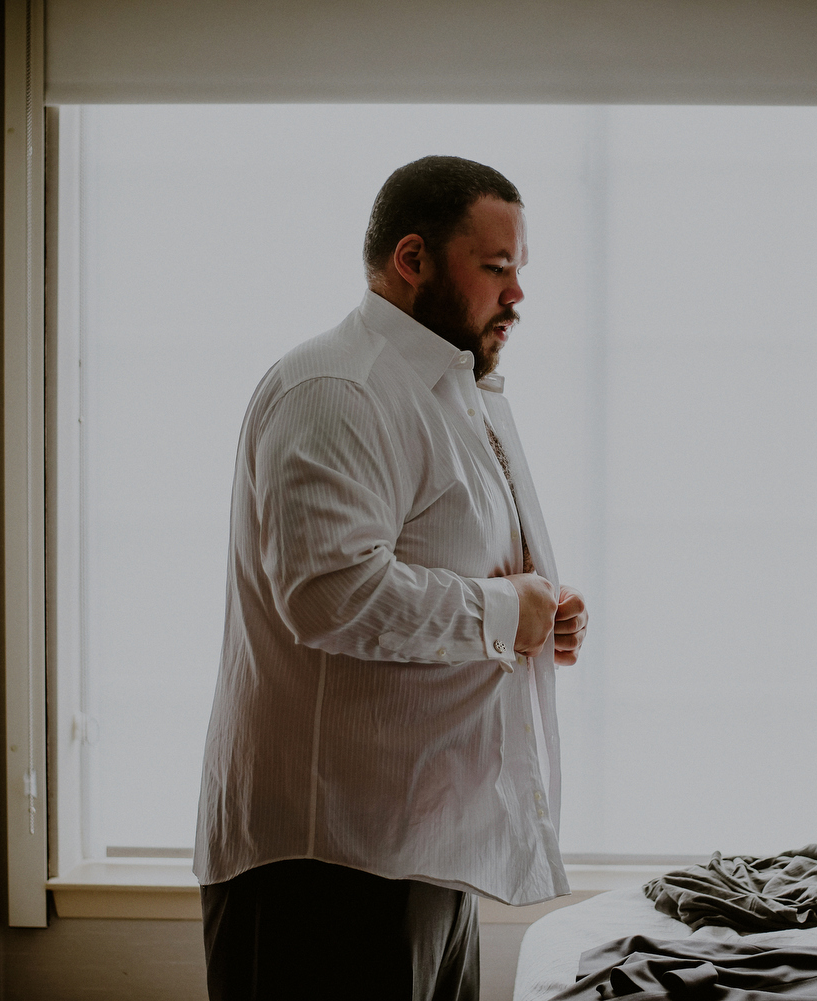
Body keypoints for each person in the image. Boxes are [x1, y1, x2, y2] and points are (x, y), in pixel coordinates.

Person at [193, 155, 589, 1001]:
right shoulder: (339, 388)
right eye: (496, 268)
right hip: (326, 867)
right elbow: (329, 592)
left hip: (422, 851)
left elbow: (455, 574)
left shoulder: (451, 393)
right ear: (413, 260)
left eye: (519, 269)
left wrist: (538, 612)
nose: (517, 295)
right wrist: (500, 614)